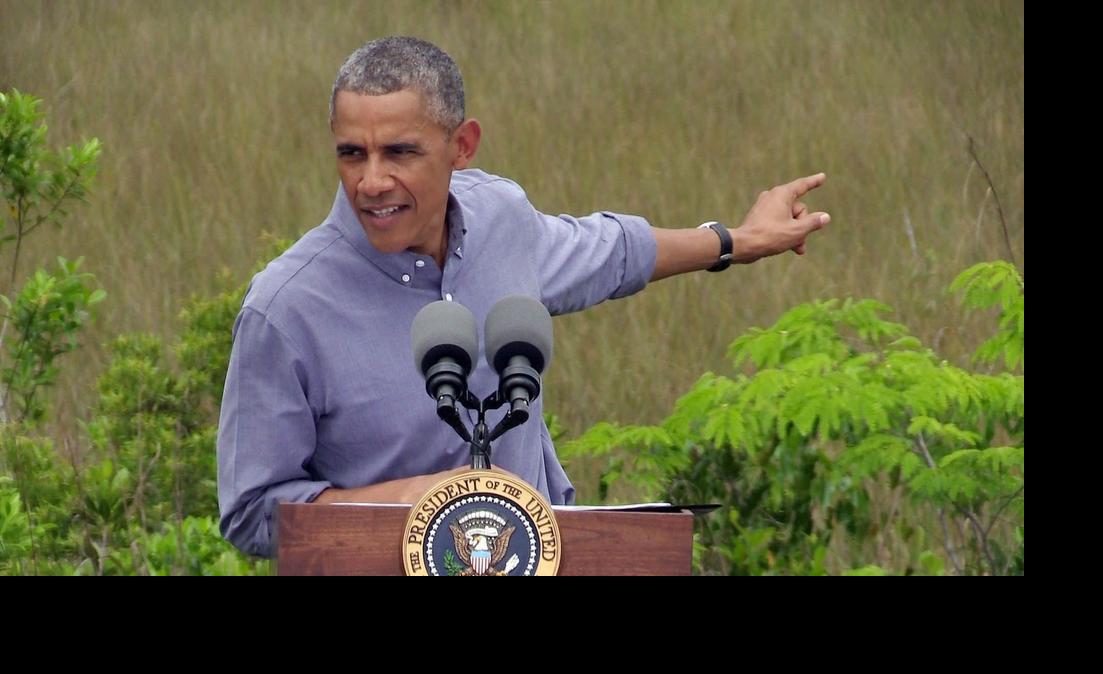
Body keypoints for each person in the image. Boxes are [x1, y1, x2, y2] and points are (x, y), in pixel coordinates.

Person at [217, 36, 830, 557]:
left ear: (462, 147)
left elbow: (608, 254)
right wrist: (409, 501)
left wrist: (736, 240)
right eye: (353, 154)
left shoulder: (500, 218)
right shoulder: (285, 310)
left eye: (400, 152)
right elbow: (249, 512)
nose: (372, 182)